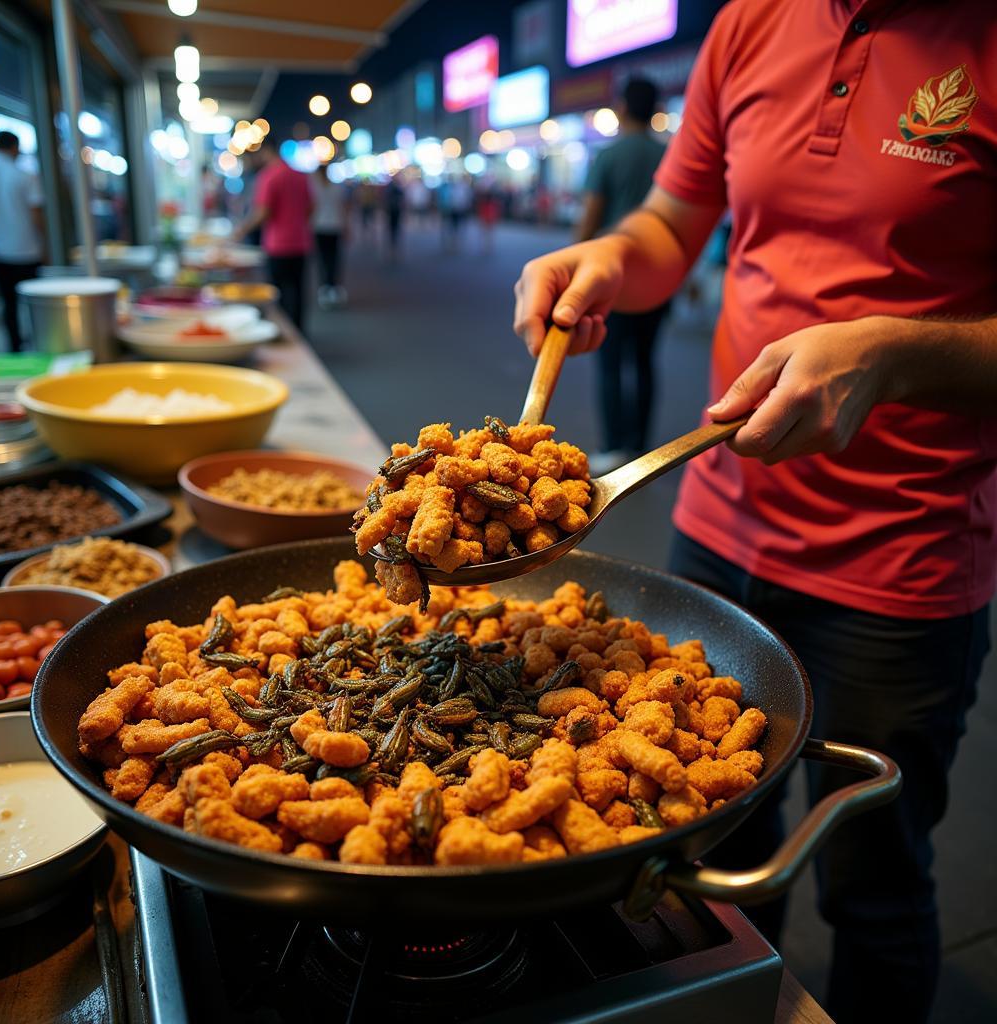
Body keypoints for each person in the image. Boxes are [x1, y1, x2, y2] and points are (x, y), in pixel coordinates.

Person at [513, 4, 996, 1023]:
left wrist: (894, 353)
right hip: (714, 530)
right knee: (701, 857)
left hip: (898, 572)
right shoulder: (749, 21)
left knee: (873, 883)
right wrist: (607, 256)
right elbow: (671, 224)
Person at [578, 77, 670, 472]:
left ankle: (615, 445)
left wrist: (576, 261)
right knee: (646, 360)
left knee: (611, 363)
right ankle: (641, 442)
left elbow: (590, 219)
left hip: (614, 279)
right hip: (660, 274)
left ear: (621, 108)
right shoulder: (668, 156)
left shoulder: (609, 156)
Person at [0, 130, 45, 351]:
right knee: (35, 304)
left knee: (8, 303)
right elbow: (36, 215)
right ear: (15, 147)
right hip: (27, 249)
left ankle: (14, 348)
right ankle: (39, 345)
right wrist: (45, 244)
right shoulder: (25, 175)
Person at [233, 135, 312, 329]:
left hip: (278, 245)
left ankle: (283, 332)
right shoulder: (300, 175)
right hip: (301, 242)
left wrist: (240, 231)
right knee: (298, 291)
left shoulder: (269, 176)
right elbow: (311, 207)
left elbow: (262, 212)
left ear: (266, 151)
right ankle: (299, 331)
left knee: (278, 294)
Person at [310, 163, 350, 309]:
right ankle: (331, 287)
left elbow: (310, 208)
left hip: (320, 226)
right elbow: (343, 207)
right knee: (333, 257)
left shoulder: (314, 188)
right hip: (333, 226)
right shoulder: (335, 187)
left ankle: (326, 287)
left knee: (324, 258)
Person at [384, 175, 405, 260]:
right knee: (394, 228)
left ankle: (393, 246)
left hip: (393, 210)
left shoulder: (390, 187)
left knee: (393, 228)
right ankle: (393, 246)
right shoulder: (397, 188)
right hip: (394, 210)